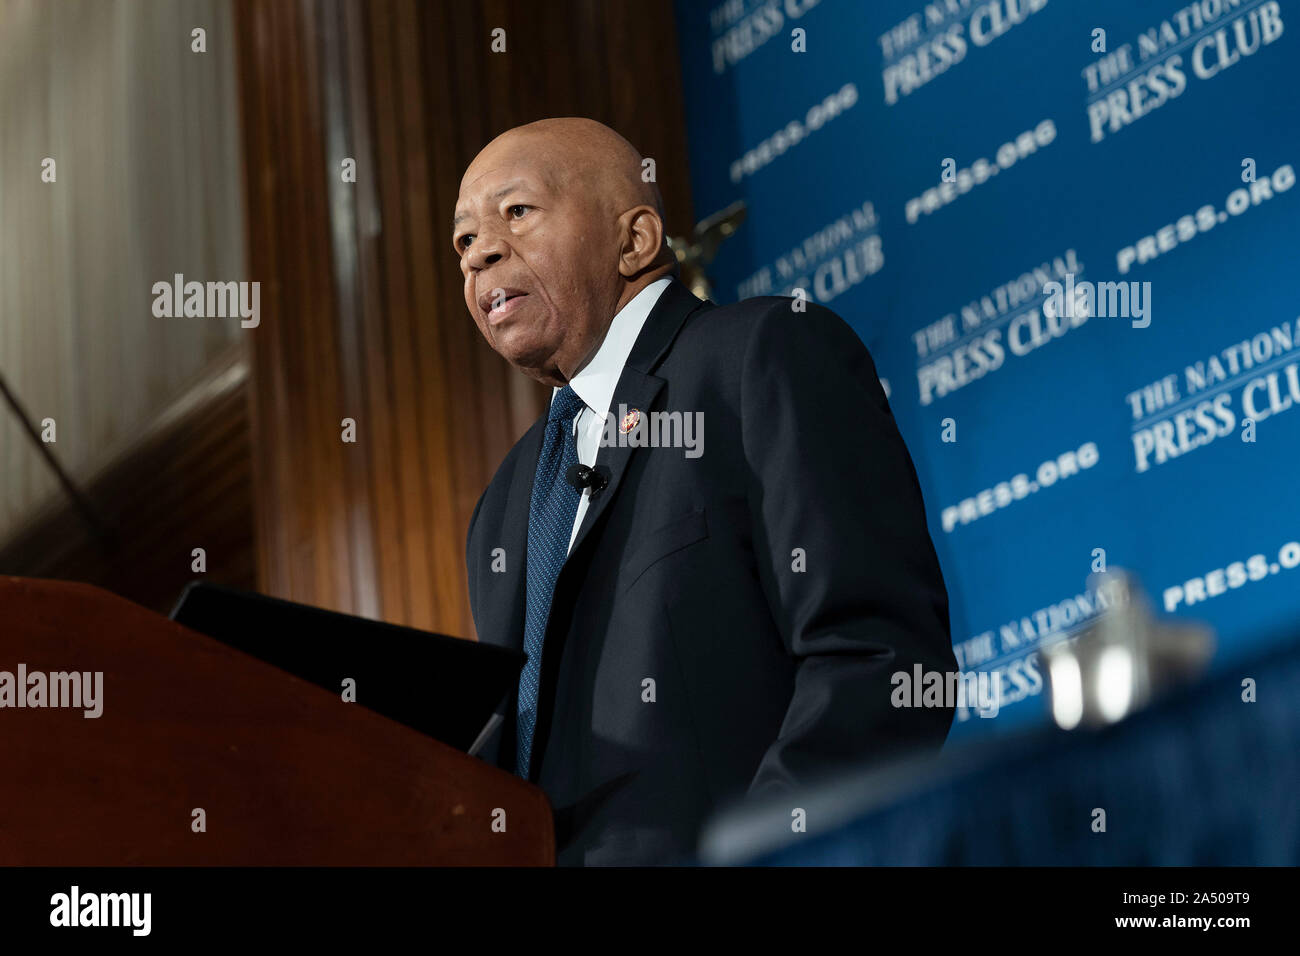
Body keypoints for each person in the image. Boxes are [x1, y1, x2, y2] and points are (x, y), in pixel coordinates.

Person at [456, 117, 955, 865]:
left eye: (516, 212)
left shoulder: (762, 357)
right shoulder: (501, 506)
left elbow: (878, 659)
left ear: (636, 240)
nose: (481, 252)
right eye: (462, 242)